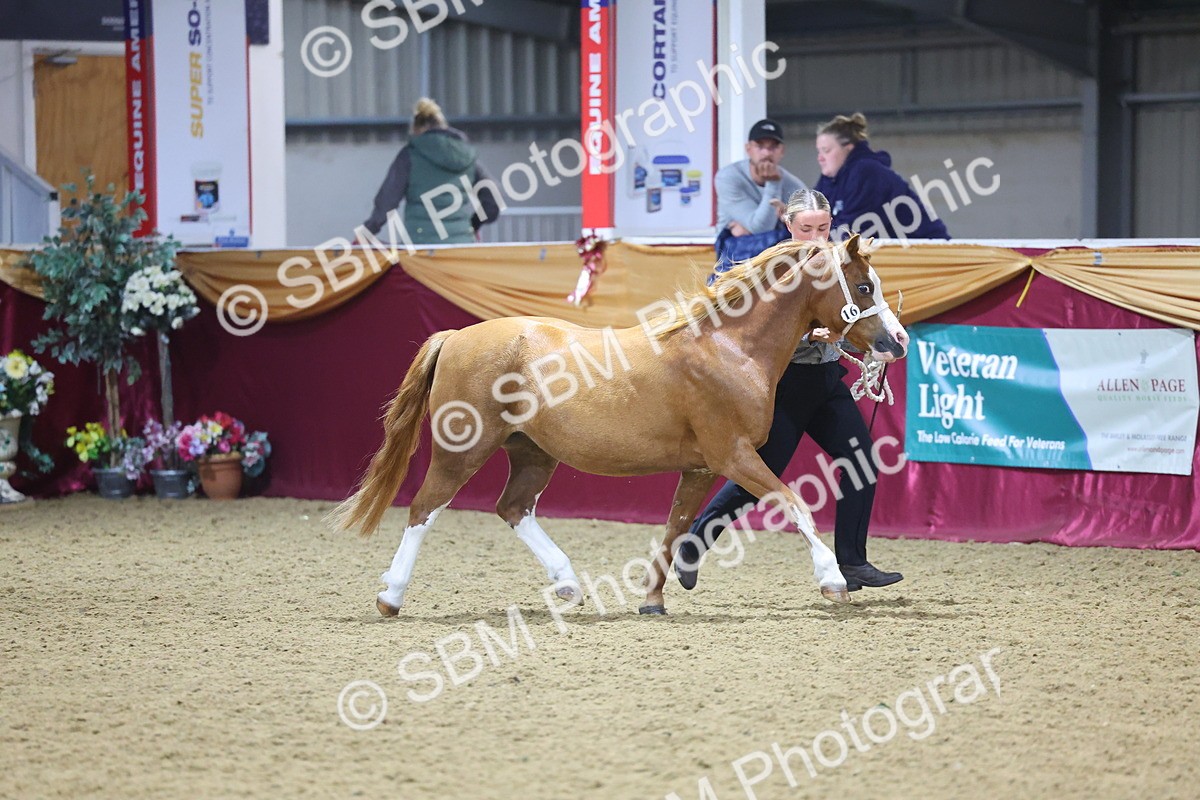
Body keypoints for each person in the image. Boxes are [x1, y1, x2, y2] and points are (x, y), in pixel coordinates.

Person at [675, 188, 904, 593]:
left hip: (826, 378)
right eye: (806, 229)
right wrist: (810, 336)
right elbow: (750, 330)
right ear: (788, 225)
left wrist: (874, 341)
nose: (816, 237)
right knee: (760, 475)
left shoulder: (840, 265)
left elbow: (852, 320)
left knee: (861, 460)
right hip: (784, 384)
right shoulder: (774, 267)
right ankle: (694, 542)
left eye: (823, 228)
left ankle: (853, 562)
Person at [362, 97, 500, 244]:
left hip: (421, 246)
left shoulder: (409, 155)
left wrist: (368, 231)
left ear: (416, 129)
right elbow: (492, 204)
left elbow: (387, 201)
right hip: (462, 247)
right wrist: (473, 225)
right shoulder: (467, 157)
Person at [814, 113, 950, 240]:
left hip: (928, 248)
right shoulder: (829, 181)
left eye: (826, 150)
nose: (820, 158)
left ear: (848, 147)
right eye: (819, 151)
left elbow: (853, 230)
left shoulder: (867, 173)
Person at [714, 119, 806, 263]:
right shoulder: (728, 177)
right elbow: (761, 228)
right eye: (760, 146)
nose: (766, 153)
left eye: (773, 147)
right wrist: (774, 184)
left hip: (778, 260)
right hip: (734, 257)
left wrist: (785, 221)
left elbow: (805, 233)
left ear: (782, 151)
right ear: (748, 149)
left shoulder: (796, 188)